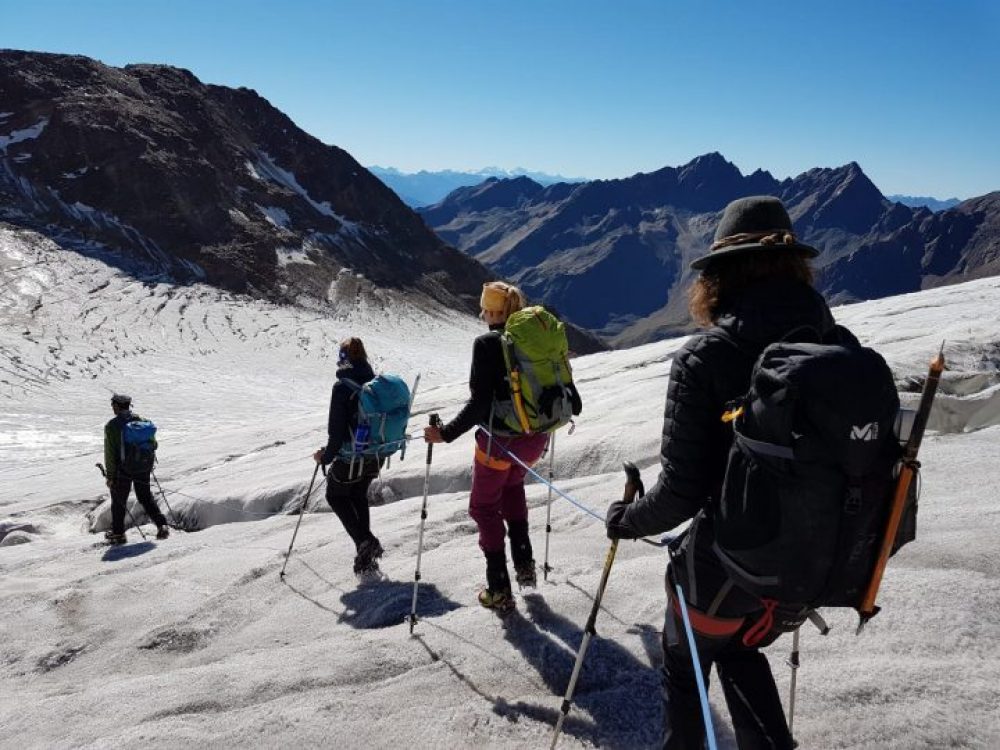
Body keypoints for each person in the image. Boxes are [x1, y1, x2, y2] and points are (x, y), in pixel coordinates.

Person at [605, 196, 840, 749]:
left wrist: (623, 519)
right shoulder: (831, 347)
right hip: (805, 571)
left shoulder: (705, 357)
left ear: (718, 276)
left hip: (725, 568)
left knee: (685, 666)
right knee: (740, 648)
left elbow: (679, 496)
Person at [424, 281, 580, 613]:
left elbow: (479, 404)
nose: (482, 314)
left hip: (500, 442)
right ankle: (525, 566)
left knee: (483, 509)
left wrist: (445, 434)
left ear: (493, 311)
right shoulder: (533, 337)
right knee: (512, 489)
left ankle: (499, 589)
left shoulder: (487, 344)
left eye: (485, 309)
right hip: (536, 438)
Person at [313, 337, 384, 576]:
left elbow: (336, 433)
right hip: (375, 454)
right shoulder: (375, 383)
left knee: (335, 496)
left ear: (344, 358)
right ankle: (365, 558)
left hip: (351, 457)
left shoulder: (342, 387)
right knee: (357, 494)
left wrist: (325, 457)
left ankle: (365, 541)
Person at [103, 393, 169, 544]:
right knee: (145, 497)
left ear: (117, 406)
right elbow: (154, 445)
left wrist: (110, 476)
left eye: (113, 405)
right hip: (143, 466)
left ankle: (118, 534)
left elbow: (110, 453)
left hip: (123, 470)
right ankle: (162, 525)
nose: (112, 408)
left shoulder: (112, 426)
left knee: (119, 500)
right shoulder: (143, 421)